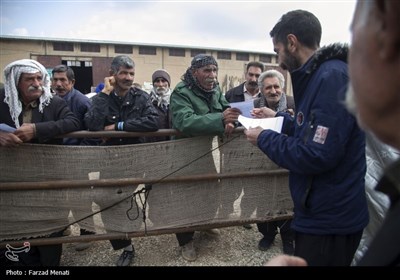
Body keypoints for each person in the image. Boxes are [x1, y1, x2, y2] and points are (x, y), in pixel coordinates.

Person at [244, 10, 369, 266]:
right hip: (320, 212)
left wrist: (264, 138)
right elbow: (312, 134)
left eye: (278, 50)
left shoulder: (331, 78)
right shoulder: (317, 78)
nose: (278, 61)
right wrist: (279, 119)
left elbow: (317, 153)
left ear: (292, 42)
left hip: (330, 221)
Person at [0, 59, 80, 265]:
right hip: (11, 181)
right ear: (17, 82)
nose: (36, 83)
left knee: (50, 230)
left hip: (47, 180)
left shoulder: (54, 102)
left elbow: (73, 121)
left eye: (39, 78)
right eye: (29, 79)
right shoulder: (2, 100)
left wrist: (36, 129)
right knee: (15, 232)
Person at [84, 55, 159, 266]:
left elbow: (153, 121)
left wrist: (118, 127)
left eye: (131, 73)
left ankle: (132, 217)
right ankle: (126, 247)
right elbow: (92, 123)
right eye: (123, 73)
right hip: (110, 162)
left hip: (137, 159)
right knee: (106, 201)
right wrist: (105, 94)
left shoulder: (140, 97)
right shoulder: (101, 97)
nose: (128, 77)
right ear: (113, 74)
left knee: (129, 197)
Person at [170, 53, 241, 261]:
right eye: (207, 70)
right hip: (183, 154)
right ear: (194, 72)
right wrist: (220, 118)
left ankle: (205, 225)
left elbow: (225, 106)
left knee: (210, 190)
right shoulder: (180, 92)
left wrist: (229, 120)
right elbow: (185, 122)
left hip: (203, 152)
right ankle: (186, 241)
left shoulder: (215, 88)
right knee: (185, 197)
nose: (212, 75)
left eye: (214, 70)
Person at [248, 69, 295, 255]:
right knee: (263, 199)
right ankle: (267, 234)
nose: (273, 91)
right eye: (268, 87)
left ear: (282, 87)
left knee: (287, 200)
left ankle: (288, 238)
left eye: (276, 86)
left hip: (287, 163)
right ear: (261, 89)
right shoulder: (252, 106)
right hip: (260, 163)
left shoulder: (293, 104)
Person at [51, 64, 97, 251]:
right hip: (55, 157)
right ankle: (63, 228)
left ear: (72, 82)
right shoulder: (50, 99)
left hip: (75, 157)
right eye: (55, 79)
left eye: (63, 80)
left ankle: (88, 233)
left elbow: (93, 131)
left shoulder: (81, 101)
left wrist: (81, 154)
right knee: (57, 196)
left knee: (80, 198)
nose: (59, 83)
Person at [145, 69, 172, 142]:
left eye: (163, 81)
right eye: (157, 81)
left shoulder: (175, 100)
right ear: (153, 84)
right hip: (152, 143)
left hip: (172, 144)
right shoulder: (146, 101)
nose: (160, 84)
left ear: (168, 83)